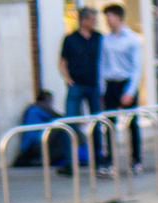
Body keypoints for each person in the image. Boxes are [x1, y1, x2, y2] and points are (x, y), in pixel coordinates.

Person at [97, 4, 144, 173]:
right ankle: (110, 161)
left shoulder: (132, 39)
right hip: (111, 83)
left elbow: (137, 67)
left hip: (125, 82)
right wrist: (102, 89)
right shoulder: (106, 39)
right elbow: (102, 64)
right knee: (109, 123)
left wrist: (130, 91)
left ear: (117, 17)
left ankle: (136, 160)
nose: (107, 21)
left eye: (108, 17)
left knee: (132, 124)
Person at [59, 7, 104, 122]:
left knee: (97, 120)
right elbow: (62, 61)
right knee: (70, 119)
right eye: (92, 20)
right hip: (76, 85)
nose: (94, 23)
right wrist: (68, 80)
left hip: (94, 84)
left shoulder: (98, 37)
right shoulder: (70, 39)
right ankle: (72, 140)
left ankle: (97, 140)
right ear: (84, 20)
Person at [14, 90, 76, 171]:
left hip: (29, 146)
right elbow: (58, 117)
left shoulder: (31, 108)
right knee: (64, 129)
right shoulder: (41, 108)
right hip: (35, 144)